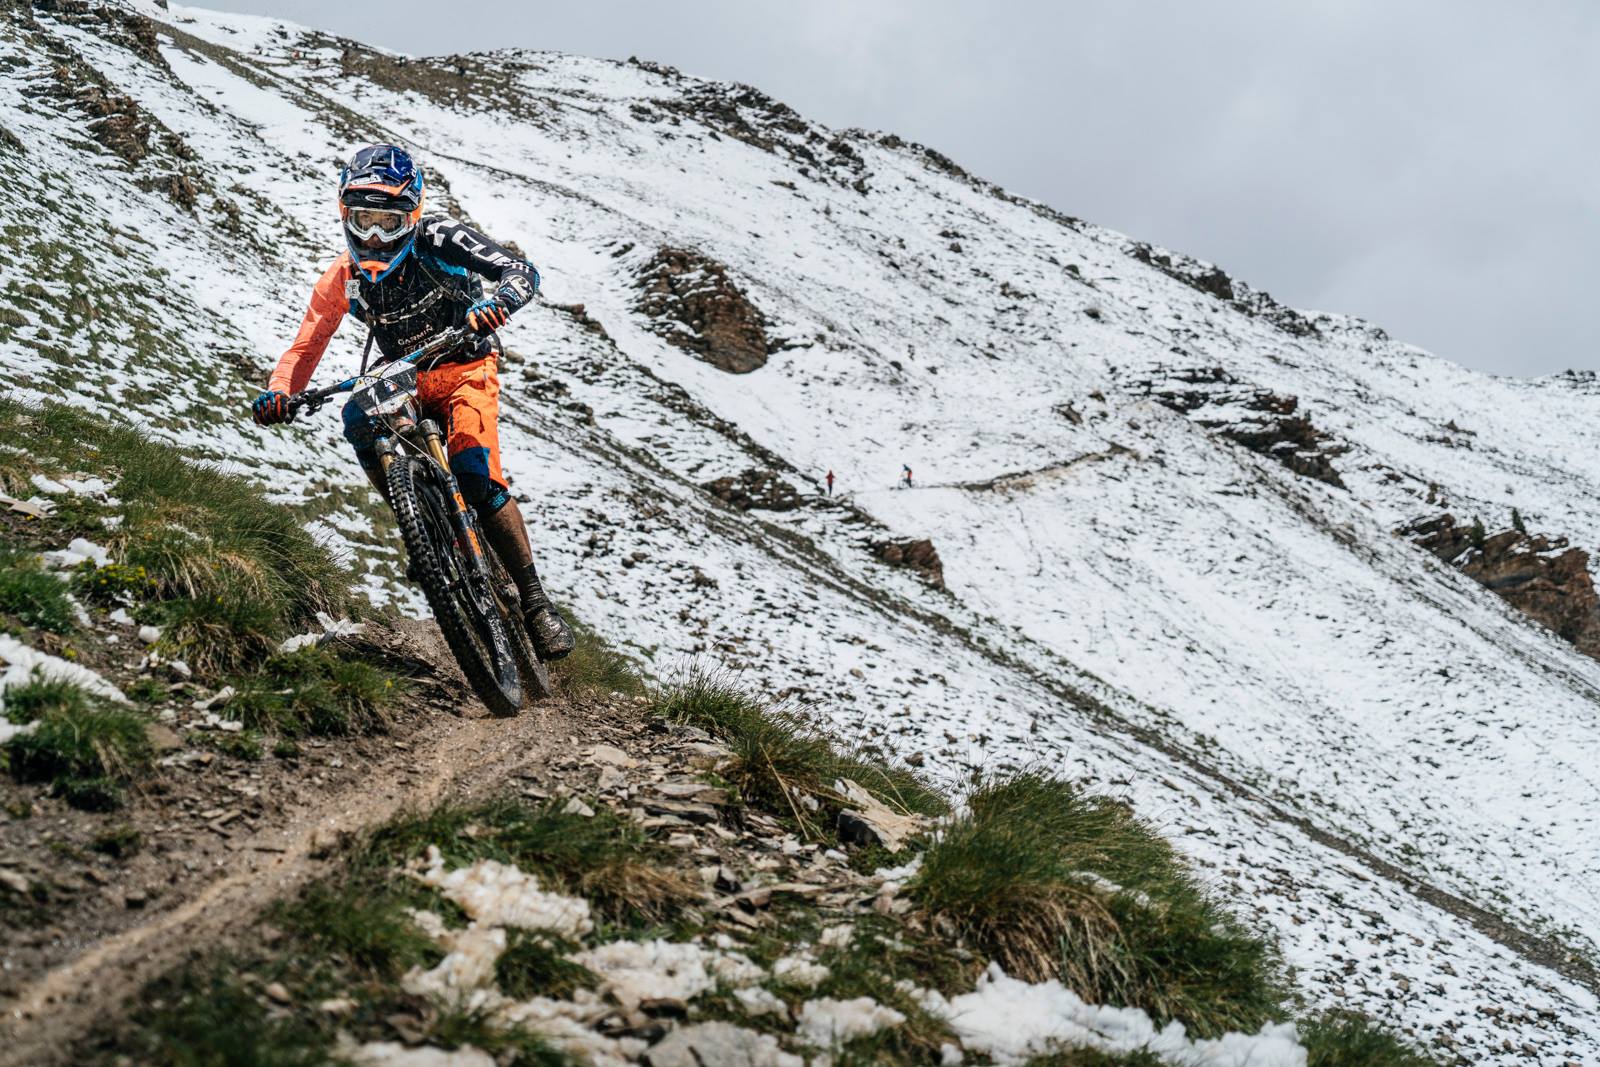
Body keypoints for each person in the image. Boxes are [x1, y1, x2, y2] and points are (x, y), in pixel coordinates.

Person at [250, 144, 574, 661]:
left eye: (389, 221)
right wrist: (280, 392)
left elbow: (521, 272)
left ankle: (535, 602)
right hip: (405, 372)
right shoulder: (343, 276)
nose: (374, 235)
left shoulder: (442, 238)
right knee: (356, 415)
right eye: (363, 220)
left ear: (414, 216)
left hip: (467, 365)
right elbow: (307, 343)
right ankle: (418, 519)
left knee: (476, 474)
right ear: (344, 215)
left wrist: (497, 305)